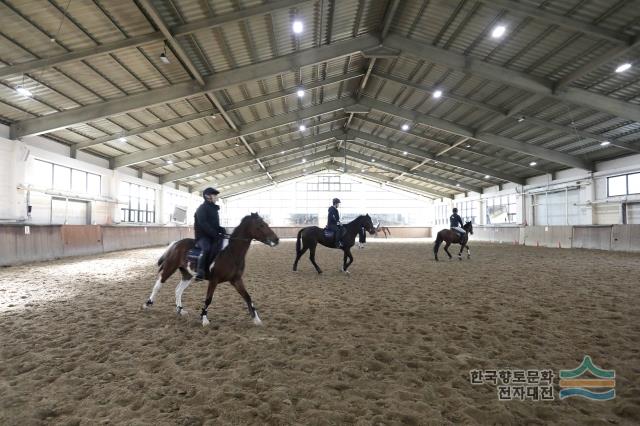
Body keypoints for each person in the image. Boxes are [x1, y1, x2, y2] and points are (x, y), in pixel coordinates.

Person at [194, 187, 225, 280]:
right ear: (208, 196)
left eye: (216, 195)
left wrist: (220, 229)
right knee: (206, 248)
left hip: (212, 235)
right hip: (203, 236)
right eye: (214, 195)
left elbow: (214, 224)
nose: (216, 197)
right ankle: (200, 271)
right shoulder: (201, 208)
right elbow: (204, 224)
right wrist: (214, 233)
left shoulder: (213, 209)